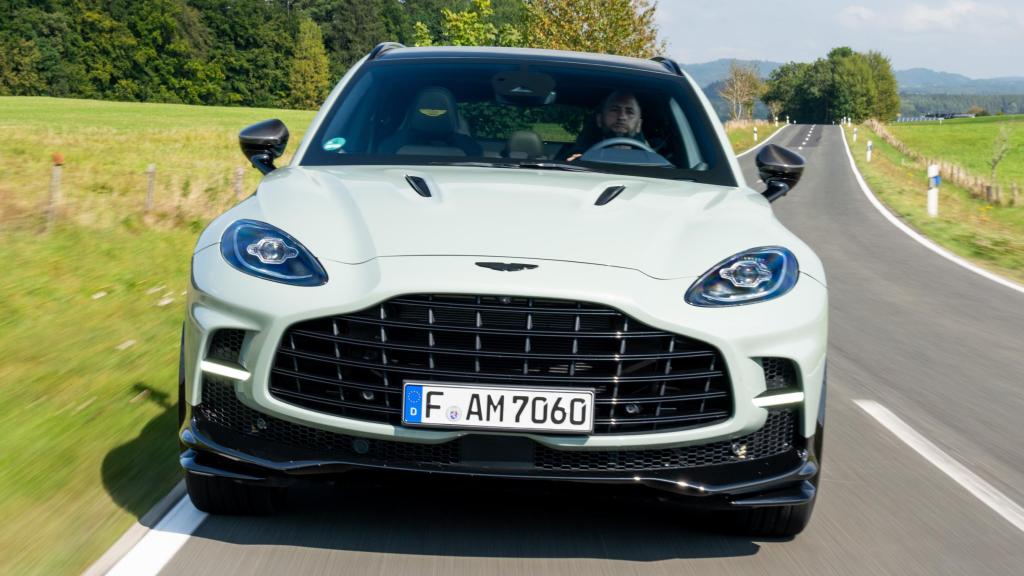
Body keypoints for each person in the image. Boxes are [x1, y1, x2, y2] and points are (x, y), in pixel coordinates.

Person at [565, 91, 645, 161]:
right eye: (614, 110)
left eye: (630, 112)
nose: (622, 117)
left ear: (639, 125)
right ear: (599, 120)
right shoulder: (577, 158)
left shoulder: (650, 162)